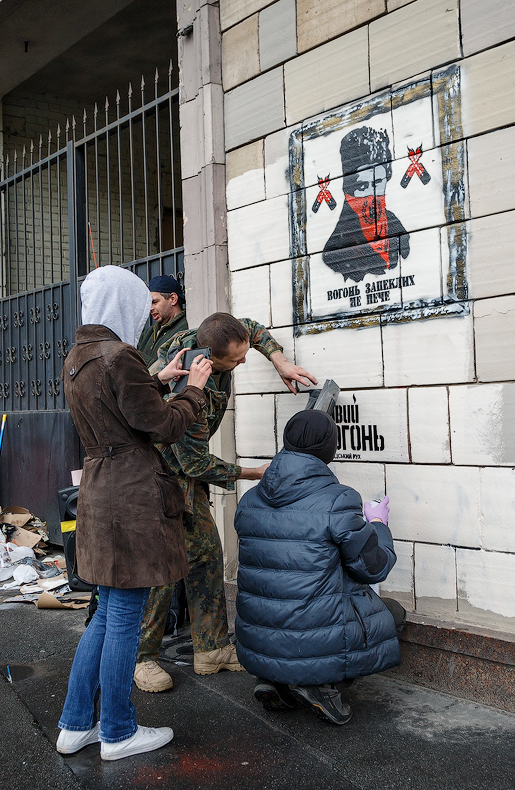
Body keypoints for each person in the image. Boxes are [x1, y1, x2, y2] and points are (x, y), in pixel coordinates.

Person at [55, 264, 213, 761]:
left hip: (100, 489)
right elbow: (161, 425)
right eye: (138, 302)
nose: (144, 313)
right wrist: (194, 390)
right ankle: (119, 731)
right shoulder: (120, 355)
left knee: (105, 614)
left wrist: (156, 378)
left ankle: (76, 724)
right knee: (124, 615)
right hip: (132, 495)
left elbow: (119, 408)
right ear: (122, 304)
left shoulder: (79, 357)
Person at [133, 313, 317, 693]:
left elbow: (247, 327)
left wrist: (279, 360)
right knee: (163, 569)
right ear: (211, 359)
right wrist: (256, 473)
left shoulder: (212, 336)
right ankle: (141, 657)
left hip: (183, 473)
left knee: (205, 554)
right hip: (158, 476)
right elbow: (195, 462)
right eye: (236, 360)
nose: (243, 362)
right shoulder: (187, 390)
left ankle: (212, 648)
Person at [234, 409, 403, 725]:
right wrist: (378, 523)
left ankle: (276, 680)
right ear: (329, 450)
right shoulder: (338, 500)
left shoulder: (251, 499)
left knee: (295, 605)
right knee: (391, 614)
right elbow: (374, 568)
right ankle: (320, 685)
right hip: (312, 636)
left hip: (258, 636)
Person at [322, 126, 411, 283]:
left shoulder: (397, 227)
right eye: (363, 186)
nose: (373, 194)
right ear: (348, 192)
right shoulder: (335, 251)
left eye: (378, 183)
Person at [136, 274, 187, 361]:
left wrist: (136, 357)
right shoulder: (149, 332)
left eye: (155, 302)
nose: (150, 308)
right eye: (149, 304)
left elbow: (170, 368)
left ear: (173, 299)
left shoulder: (185, 329)